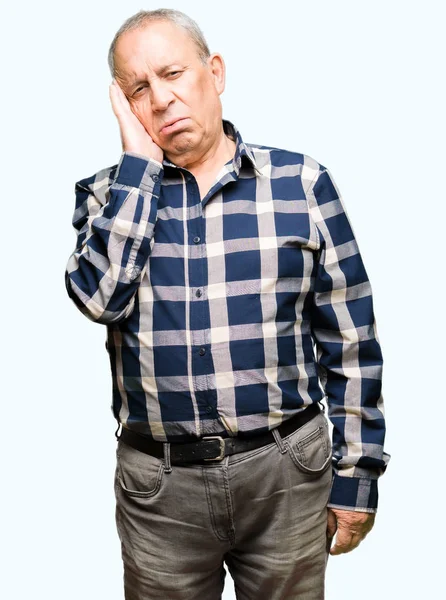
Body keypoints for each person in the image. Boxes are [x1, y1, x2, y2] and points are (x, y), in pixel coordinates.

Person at [65, 8, 390, 600]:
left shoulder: (302, 184)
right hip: (159, 489)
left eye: (172, 73)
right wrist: (139, 168)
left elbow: (351, 342)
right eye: (139, 88)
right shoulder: (108, 197)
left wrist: (357, 479)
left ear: (213, 73)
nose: (161, 99)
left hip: (288, 471)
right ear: (124, 106)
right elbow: (98, 299)